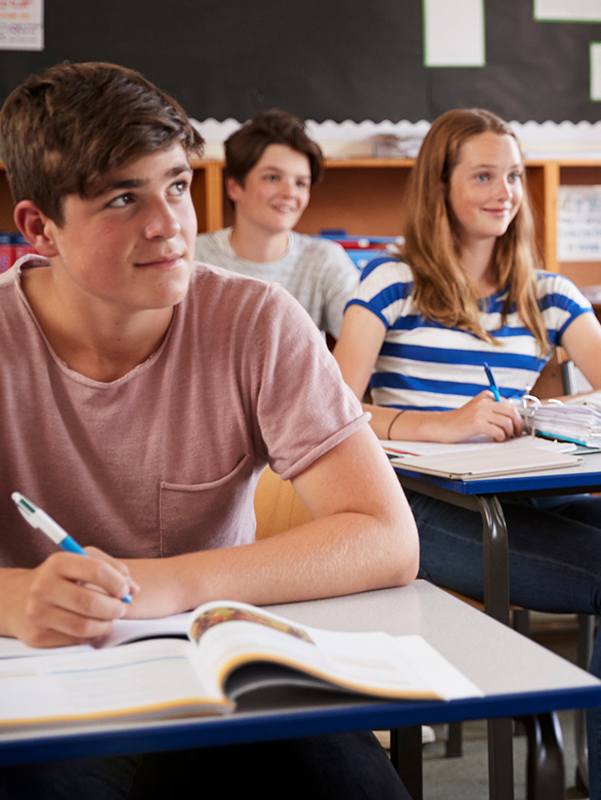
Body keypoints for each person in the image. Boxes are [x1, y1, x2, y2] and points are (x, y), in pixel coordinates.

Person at [0, 63, 419, 799]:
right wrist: (17, 599)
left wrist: (160, 586)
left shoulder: (257, 321)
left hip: (222, 658)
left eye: (176, 185)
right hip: (46, 676)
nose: (168, 224)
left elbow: (386, 536)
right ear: (40, 226)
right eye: (123, 198)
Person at [332, 108, 601, 800]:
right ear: (440, 188)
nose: (504, 190)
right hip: (416, 508)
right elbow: (328, 415)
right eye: (483, 175)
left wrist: (541, 411)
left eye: (512, 175)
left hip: (525, 496)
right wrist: (435, 425)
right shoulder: (388, 283)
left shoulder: (546, 293)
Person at [195, 109, 359, 340]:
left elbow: (365, 340)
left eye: (301, 183)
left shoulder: (324, 260)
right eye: (273, 178)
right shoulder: (193, 259)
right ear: (234, 187)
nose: (290, 193)